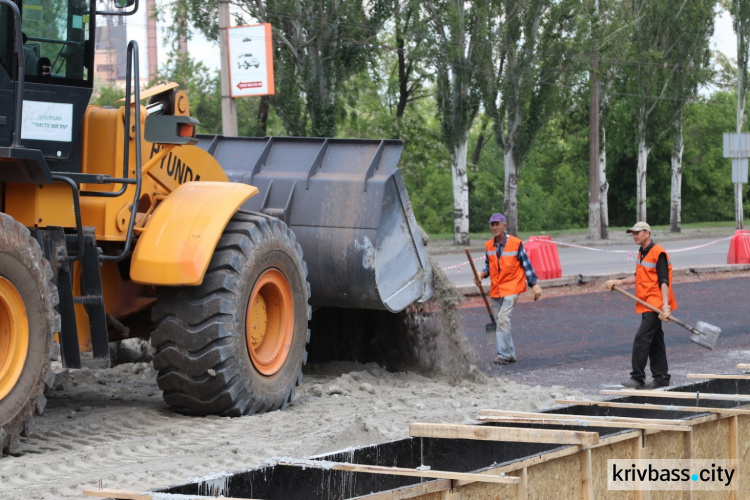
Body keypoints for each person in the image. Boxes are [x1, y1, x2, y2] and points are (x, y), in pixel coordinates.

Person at [605, 221, 676, 389]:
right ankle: (661, 376)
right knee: (655, 340)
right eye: (633, 233)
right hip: (646, 303)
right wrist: (619, 282)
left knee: (642, 339)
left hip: (656, 304)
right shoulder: (642, 252)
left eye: (637, 233)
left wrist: (665, 307)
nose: (634, 236)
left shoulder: (658, 252)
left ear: (647, 233)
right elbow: (638, 276)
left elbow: (664, 281)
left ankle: (637, 378)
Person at [474, 213, 543, 364]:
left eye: (497, 224)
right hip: (496, 289)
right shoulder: (489, 246)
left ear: (504, 226)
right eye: (492, 224)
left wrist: (534, 284)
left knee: (503, 319)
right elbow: (489, 265)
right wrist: (482, 273)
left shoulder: (515, 244)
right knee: (501, 322)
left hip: (512, 286)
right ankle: (510, 353)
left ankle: (504, 355)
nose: (494, 227)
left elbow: (527, 265)